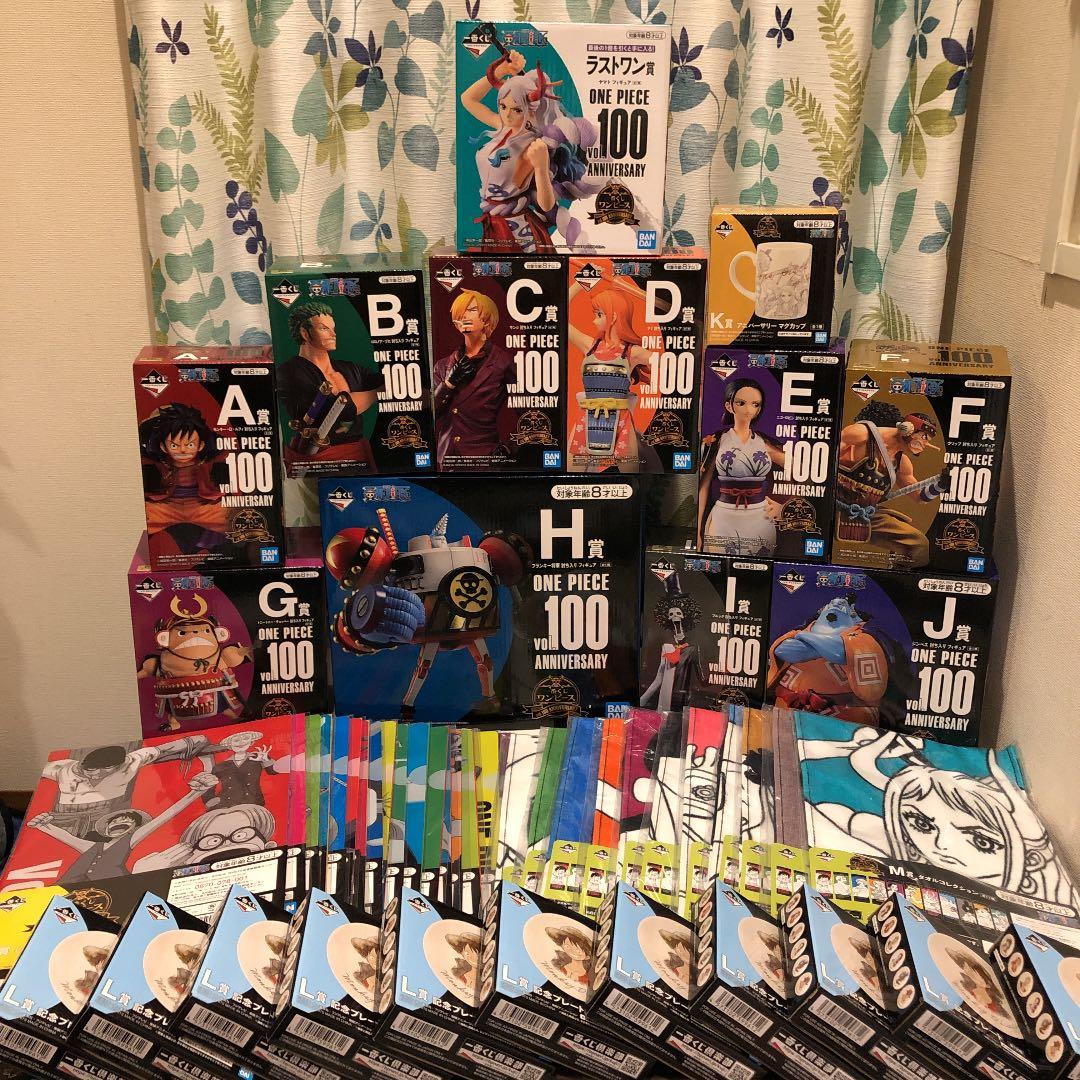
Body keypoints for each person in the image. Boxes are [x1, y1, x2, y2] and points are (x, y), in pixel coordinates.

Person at [799, 728, 1078, 906]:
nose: (942, 846)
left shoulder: (1045, 897)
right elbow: (814, 806)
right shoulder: (887, 844)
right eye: (920, 823)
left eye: (982, 841)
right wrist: (848, 748)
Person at [459, 47, 596, 252]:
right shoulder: (503, 127)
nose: (507, 115)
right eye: (503, 106)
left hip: (518, 228)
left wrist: (540, 166)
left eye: (516, 109)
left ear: (530, 110)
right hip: (494, 222)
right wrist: (501, 71)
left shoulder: (535, 144)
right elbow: (468, 99)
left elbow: (546, 204)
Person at [836, 402, 950, 567]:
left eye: (928, 440)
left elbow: (920, 497)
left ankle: (895, 576)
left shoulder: (902, 463)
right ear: (908, 428)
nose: (924, 443)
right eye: (924, 436)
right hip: (833, 506)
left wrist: (941, 485)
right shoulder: (861, 435)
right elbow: (827, 454)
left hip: (867, 514)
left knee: (918, 544)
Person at [567, 273, 661, 473]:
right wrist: (582, 282)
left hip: (621, 421)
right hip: (587, 418)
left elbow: (668, 362)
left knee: (630, 478)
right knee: (572, 475)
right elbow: (558, 316)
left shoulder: (633, 353)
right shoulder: (589, 346)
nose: (594, 321)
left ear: (614, 316)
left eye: (599, 314)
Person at [277, 301, 383, 470]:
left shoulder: (350, 368)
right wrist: (378, 393)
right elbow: (338, 408)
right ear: (305, 333)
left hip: (358, 459)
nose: (333, 334)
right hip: (314, 464)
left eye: (333, 328)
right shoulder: (289, 371)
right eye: (324, 328)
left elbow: (391, 381)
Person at [698, 377, 786, 555]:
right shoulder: (716, 440)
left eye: (755, 404)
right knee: (720, 564)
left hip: (760, 515)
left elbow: (802, 470)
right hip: (723, 514)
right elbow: (703, 487)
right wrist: (697, 530)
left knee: (758, 566)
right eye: (741, 403)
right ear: (729, 406)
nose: (748, 409)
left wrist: (784, 506)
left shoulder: (765, 443)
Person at [433, 289, 519, 469]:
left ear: (487, 319)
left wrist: (509, 448)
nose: (464, 315)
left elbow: (529, 409)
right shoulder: (442, 365)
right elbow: (431, 414)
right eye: (460, 312)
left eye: (471, 310)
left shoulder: (504, 362)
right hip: (447, 460)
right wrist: (448, 383)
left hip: (485, 459)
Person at [140, 402, 228, 559]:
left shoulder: (210, 459)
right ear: (163, 446)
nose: (182, 450)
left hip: (202, 505)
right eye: (174, 445)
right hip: (166, 506)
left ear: (201, 445)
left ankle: (209, 548)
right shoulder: (156, 461)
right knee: (146, 516)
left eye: (190, 444)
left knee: (232, 516)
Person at [546, 923, 593, 989]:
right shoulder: (561, 968)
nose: (572, 951)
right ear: (562, 947)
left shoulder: (588, 976)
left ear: (587, 956)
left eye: (578, 951)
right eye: (567, 947)